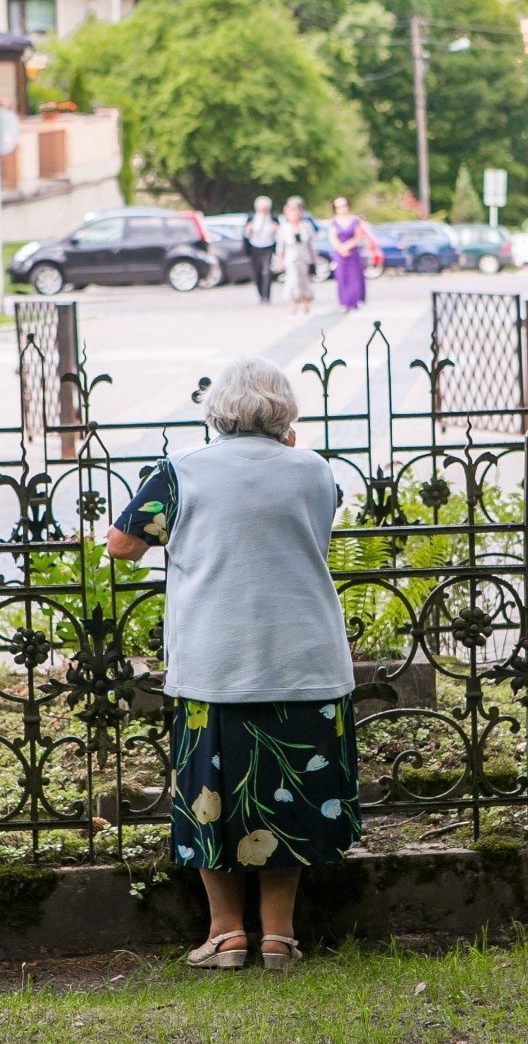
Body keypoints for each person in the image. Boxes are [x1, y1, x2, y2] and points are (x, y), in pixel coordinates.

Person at [106, 358, 359, 972]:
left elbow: (122, 545)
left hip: (217, 663)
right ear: (284, 416)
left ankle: (226, 936)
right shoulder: (315, 471)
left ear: (216, 413)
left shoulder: (181, 473)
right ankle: (278, 936)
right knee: (292, 797)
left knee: (211, 799)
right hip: (305, 659)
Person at [274, 196, 317, 316]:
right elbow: (280, 246)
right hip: (291, 257)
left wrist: (314, 258)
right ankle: (294, 303)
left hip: (304, 256)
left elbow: (311, 244)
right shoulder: (284, 228)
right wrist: (279, 260)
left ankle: (305, 302)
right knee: (293, 280)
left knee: (304, 280)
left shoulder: (306, 226)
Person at [328, 197, 367, 312]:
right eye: (339, 207)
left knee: (355, 276)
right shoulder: (334, 222)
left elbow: (358, 236)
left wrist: (347, 246)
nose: (342, 208)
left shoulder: (355, 220)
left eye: (343, 205)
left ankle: (355, 301)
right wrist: (340, 248)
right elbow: (333, 238)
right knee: (342, 277)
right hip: (339, 253)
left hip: (353, 252)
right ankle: (344, 302)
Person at [243, 196, 279, 304]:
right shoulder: (251, 217)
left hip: (268, 246)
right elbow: (245, 234)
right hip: (254, 246)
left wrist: (276, 229)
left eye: (265, 208)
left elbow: (280, 234)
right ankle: (261, 294)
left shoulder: (273, 217)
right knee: (257, 272)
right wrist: (248, 230)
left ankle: (266, 297)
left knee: (267, 272)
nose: (263, 210)